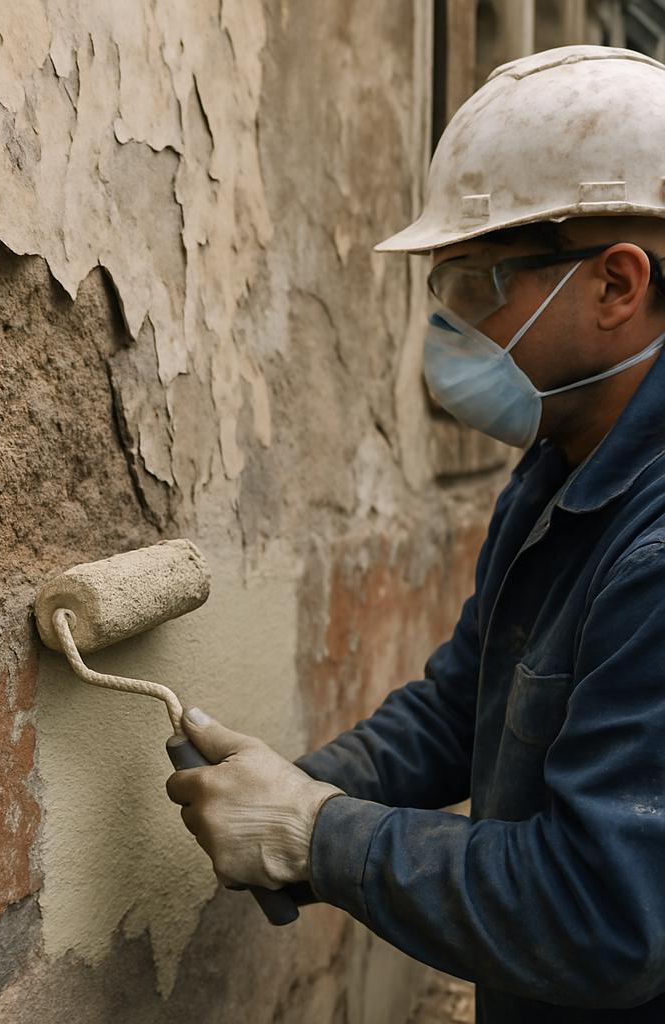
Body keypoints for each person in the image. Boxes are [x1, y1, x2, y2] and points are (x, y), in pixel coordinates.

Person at [166, 45, 665, 1021]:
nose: (449, 325)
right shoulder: (565, 456)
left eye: (477, 284)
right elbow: (466, 696)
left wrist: (317, 837)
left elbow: (602, 911)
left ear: (615, 285)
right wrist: (303, 787)